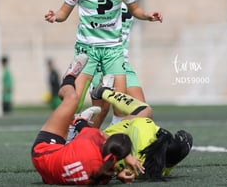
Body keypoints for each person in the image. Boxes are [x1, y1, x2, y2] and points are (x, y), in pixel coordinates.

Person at [44, 0, 163, 129]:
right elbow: (63, 12)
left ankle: (113, 141)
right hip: (88, 50)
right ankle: (71, 134)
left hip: (114, 52)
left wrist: (147, 16)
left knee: (130, 107)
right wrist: (55, 17)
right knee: (75, 100)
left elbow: (136, 9)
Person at [31, 54, 144, 185]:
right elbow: (104, 166)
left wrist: (127, 156)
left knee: (72, 99)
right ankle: (102, 92)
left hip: (42, 153)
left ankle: (69, 77)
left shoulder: (92, 141)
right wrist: (119, 174)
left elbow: (82, 125)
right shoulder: (103, 178)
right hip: (48, 175)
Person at [91, 75, 193, 180]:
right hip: (110, 162)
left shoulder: (144, 130)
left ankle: (103, 92)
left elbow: (132, 125)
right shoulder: (161, 169)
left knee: (145, 110)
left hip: (108, 142)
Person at [90, 0, 148, 127]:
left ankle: (115, 143)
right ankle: (77, 140)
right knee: (100, 112)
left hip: (123, 63)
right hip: (104, 61)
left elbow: (137, 11)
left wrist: (149, 16)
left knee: (141, 111)